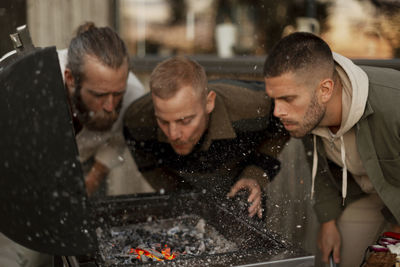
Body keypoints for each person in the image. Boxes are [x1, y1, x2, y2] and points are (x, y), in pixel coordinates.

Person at [263, 32, 400, 266]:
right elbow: (321, 172)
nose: (277, 112)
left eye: (288, 99)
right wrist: (328, 221)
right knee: (334, 259)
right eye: (274, 99)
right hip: (368, 195)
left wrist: (393, 240)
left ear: (325, 89)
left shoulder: (394, 105)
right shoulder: (307, 116)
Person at [123, 56, 286, 218]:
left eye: (185, 121)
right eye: (163, 121)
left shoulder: (256, 106)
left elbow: (281, 128)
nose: (173, 135)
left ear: (209, 103)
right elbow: (151, 168)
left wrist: (254, 176)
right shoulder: (137, 121)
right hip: (187, 200)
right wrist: (184, 200)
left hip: (243, 197)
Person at [58, 22, 154, 196]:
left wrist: (91, 182)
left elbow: (116, 141)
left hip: (87, 164)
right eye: (99, 95)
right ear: (70, 78)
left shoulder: (133, 92)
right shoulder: (44, 79)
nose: (111, 107)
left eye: (118, 94)